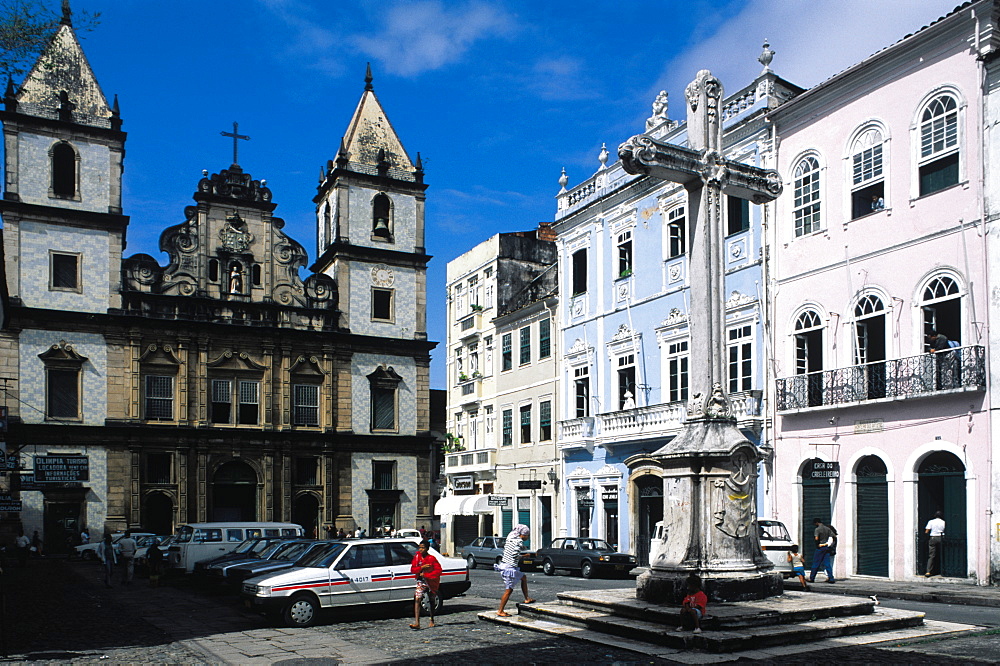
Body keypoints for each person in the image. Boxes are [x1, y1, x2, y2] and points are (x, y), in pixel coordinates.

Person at [495, 524, 535, 617]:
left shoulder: (510, 538)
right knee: (508, 590)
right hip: (509, 568)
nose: (527, 537)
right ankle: (500, 610)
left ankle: (527, 598)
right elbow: (515, 555)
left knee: (523, 577)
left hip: (505, 565)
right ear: (523, 535)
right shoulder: (519, 542)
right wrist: (525, 556)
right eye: (527, 535)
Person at [409, 539, 442, 630]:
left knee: (431, 600)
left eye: (423, 548)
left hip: (431, 582)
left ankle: (432, 619)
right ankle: (417, 622)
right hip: (421, 581)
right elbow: (413, 569)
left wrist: (427, 574)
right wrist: (421, 568)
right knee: (417, 599)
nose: (420, 550)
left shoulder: (432, 558)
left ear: (427, 549)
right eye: (419, 548)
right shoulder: (417, 557)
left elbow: (438, 571)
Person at [808, 518, 836, 584]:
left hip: (820, 547)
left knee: (816, 563)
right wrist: (829, 544)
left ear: (816, 523)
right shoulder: (827, 529)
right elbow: (834, 536)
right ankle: (831, 578)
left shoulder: (817, 529)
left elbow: (816, 538)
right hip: (826, 547)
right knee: (827, 564)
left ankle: (812, 578)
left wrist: (817, 545)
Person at [925, 510, 946, 577]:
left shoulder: (931, 521)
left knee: (931, 555)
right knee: (942, 554)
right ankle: (943, 570)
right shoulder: (944, 522)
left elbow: (927, 531)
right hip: (941, 537)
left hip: (933, 538)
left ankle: (928, 571)